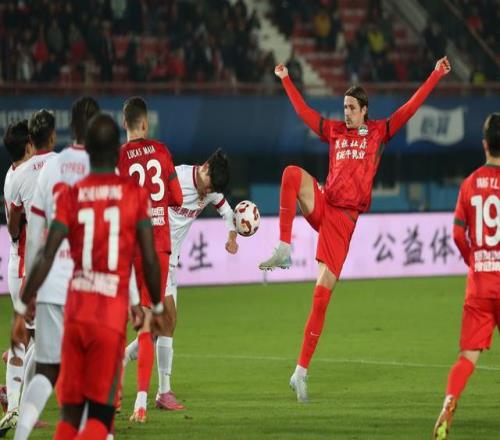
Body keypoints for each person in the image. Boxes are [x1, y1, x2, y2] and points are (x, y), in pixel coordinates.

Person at [259, 56, 451, 402]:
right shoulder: (335, 131)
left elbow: (410, 108)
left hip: (343, 222)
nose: (346, 113)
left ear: (364, 111)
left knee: (320, 297)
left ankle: (300, 372)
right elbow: (304, 113)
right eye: (344, 107)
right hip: (325, 203)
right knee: (290, 174)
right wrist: (285, 79)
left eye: (351, 108)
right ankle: (284, 247)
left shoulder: (378, 132)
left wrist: (435, 74)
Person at [11, 113, 163, 440]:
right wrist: (157, 306)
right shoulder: (134, 195)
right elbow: (148, 258)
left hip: (76, 313)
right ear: (117, 150)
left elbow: (46, 253)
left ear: (88, 151)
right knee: (99, 420)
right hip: (108, 316)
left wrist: (22, 307)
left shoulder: (72, 195)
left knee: (70, 417)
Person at [10, 98, 100, 440]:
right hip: (88, 283)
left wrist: (28, 294)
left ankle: (20, 433)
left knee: (47, 368)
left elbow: (34, 239)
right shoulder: (103, 169)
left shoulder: (46, 171)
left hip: (50, 282)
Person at [123, 148, 237, 409]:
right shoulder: (176, 178)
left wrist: (232, 236)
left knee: (164, 325)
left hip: (170, 262)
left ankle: (127, 360)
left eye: (212, 190)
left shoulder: (211, 188)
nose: (208, 193)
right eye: (208, 187)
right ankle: (162, 392)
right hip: (154, 257)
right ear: (205, 167)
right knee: (166, 320)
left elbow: (226, 211)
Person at [433, 113, 500, 440]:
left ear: (485, 144)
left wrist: (473, 259)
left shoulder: (470, 183)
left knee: (467, 358)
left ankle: (449, 403)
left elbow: (458, 234)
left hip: (479, 284)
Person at [117, 96, 183, 421]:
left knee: (127, 319)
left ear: (124, 123)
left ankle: (115, 396)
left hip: (131, 246)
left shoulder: (119, 157)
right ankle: (141, 401)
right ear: (145, 123)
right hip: (159, 247)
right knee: (149, 321)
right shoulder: (162, 151)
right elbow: (178, 198)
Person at [0, 121, 34, 437]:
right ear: (28, 146)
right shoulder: (24, 176)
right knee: (34, 338)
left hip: (18, 263)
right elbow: (13, 228)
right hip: (25, 264)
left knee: (26, 337)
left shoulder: (12, 175)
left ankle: (12, 400)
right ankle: (16, 406)